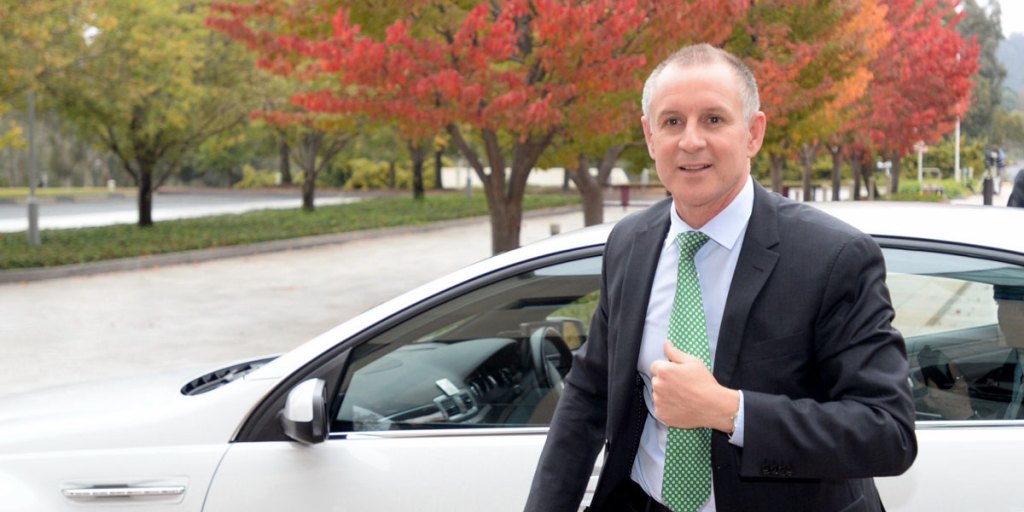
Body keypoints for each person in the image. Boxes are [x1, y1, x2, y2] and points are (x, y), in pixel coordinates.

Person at [524, 44, 917, 512]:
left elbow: (887, 431)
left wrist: (727, 410)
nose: (691, 141)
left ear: (753, 133)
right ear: (650, 137)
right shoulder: (630, 242)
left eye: (713, 119)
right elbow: (589, 393)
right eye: (672, 122)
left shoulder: (833, 257)